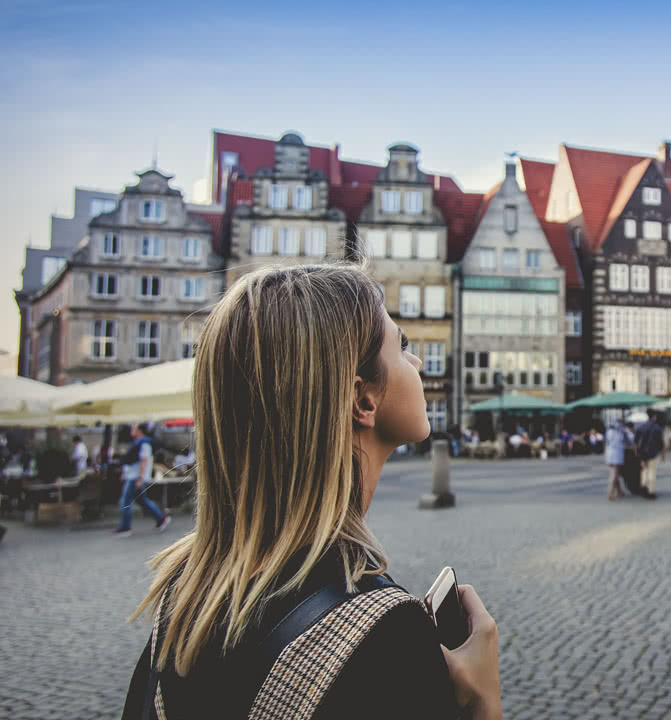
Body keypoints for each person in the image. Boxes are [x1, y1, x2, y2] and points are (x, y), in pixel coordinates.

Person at [121, 264, 501, 720]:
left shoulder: (183, 596)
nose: (417, 362)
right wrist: (484, 701)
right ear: (363, 400)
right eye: (401, 346)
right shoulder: (385, 637)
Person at [113, 423, 170, 537]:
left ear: (139, 431)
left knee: (125, 501)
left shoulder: (144, 444)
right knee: (141, 500)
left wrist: (140, 478)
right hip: (133, 476)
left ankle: (125, 527)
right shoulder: (139, 443)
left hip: (135, 477)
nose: (131, 430)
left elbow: (144, 461)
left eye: (134, 428)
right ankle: (161, 519)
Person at [634, 411, 666, 500]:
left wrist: (636, 452)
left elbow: (636, 441)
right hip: (653, 452)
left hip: (642, 453)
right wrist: (662, 454)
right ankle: (650, 491)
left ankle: (643, 486)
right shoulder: (657, 427)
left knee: (644, 471)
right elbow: (661, 443)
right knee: (652, 472)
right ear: (654, 416)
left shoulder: (641, 426)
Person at [605, 418, 630, 500]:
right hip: (617, 454)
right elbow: (628, 442)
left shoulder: (609, 431)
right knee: (614, 474)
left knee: (615, 473)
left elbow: (606, 442)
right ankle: (611, 492)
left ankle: (619, 491)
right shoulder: (622, 432)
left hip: (609, 453)